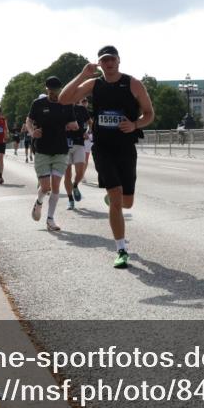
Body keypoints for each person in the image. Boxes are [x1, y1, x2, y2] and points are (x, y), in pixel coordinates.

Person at [60, 45, 155, 268]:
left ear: (119, 61)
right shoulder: (94, 84)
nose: (109, 63)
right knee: (115, 197)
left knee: (127, 203)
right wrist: (83, 74)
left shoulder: (133, 84)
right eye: (104, 60)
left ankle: (115, 200)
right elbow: (64, 100)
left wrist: (135, 124)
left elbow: (149, 113)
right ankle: (121, 249)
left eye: (112, 59)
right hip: (102, 147)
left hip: (125, 147)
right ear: (99, 64)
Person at [26, 76, 80, 232]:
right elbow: (28, 121)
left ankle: (50, 219)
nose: (54, 94)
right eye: (51, 91)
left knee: (55, 186)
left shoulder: (67, 104)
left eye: (56, 90)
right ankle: (39, 202)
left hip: (61, 150)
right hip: (42, 149)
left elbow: (74, 123)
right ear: (46, 89)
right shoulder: (38, 104)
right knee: (45, 187)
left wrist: (73, 125)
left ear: (60, 89)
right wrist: (32, 132)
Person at [64, 97, 92, 210]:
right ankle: (70, 199)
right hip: (65, 145)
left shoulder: (81, 109)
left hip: (79, 143)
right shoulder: (62, 108)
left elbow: (90, 123)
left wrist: (88, 132)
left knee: (80, 172)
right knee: (67, 174)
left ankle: (75, 186)